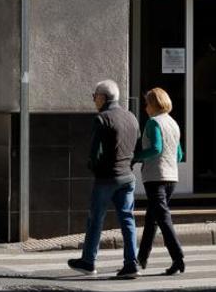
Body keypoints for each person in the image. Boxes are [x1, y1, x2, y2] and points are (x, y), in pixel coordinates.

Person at [68, 79, 142, 279]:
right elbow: (138, 148)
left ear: (102, 97)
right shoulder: (132, 117)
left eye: (94, 96)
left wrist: (94, 167)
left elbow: (95, 152)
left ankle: (88, 261)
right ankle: (131, 264)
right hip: (128, 177)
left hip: (107, 178)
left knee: (95, 220)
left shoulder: (102, 118)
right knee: (127, 219)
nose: (94, 100)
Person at [134, 87, 185, 275]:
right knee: (152, 219)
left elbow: (155, 148)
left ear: (153, 104)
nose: (145, 107)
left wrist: (136, 156)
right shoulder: (173, 123)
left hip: (156, 177)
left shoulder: (153, 123)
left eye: (147, 103)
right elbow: (179, 154)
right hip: (172, 177)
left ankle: (178, 256)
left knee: (162, 218)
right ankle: (141, 259)